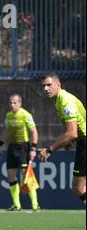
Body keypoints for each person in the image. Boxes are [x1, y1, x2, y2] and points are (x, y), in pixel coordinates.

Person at [39, 73, 86, 206]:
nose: (46, 89)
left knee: (78, 187)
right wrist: (67, 141)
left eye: (49, 85)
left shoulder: (65, 100)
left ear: (58, 85)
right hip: (82, 142)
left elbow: (72, 133)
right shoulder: (58, 100)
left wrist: (49, 149)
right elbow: (69, 131)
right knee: (79, 186)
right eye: (43, 86)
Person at [0, 94, 40, 211]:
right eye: (10, 102)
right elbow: (7, 130)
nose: (12, 105)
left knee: (26, 175)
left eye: (15, 103)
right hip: (12, 147)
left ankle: (35, 204)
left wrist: (33, 149)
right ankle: (16, 204)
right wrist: (0, 144)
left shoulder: (26, 115)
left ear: (20, 103)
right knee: (11, 175)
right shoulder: (9, 116)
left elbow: (34, 132)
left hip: (23, 148)